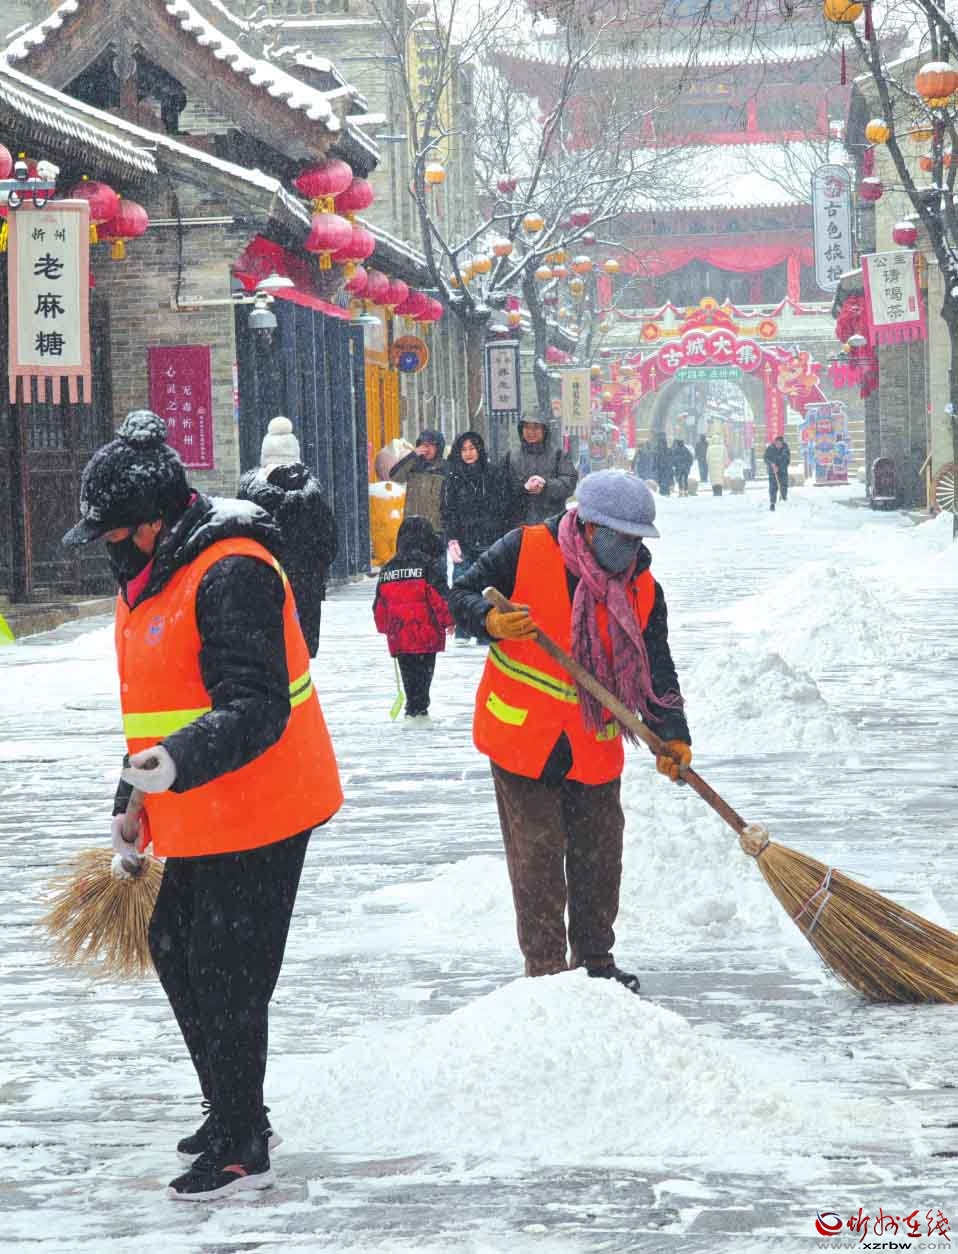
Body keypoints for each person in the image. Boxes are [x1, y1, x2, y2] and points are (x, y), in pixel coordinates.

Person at [61, 411, 342, 1201]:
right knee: (174, 943)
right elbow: (163, 704)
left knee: (225, 967)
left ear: (154, 521)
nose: (110, 548)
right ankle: (230, 1106)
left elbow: (256, 704)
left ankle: (243, 1143)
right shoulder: (156, 572)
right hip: (205, 799)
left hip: (269, 797)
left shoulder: (231, 572)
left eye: (117, 533)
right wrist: (132, 795)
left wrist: (173, 765)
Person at [448, 469, 691, 991]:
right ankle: (547, 974)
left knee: (599, 856)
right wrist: (489, 622)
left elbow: (657, 666)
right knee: (537, 856)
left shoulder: (643, 588)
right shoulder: (525, 548)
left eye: (638, 540)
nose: (630, 551)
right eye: (621, 538)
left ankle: (595, 962)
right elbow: (459, 593)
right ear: (588, 526)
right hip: (522, 736)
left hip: (591, 744)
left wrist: (673, 734)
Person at [237, 416, 337, 657]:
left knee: (265, 655)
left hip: (260, 583)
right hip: (304, 585)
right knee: (299, 655)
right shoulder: (312, 497)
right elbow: (330, 542)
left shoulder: (248, 498)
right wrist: (314, 570)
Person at [373, 515, 454, 723]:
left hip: (399, 632)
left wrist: (386, 627)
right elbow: (440, 598)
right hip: (426, 632)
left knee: (408, 673)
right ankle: (420, 710)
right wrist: (450, 620)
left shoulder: (388, 568)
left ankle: (412, 708)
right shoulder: (428, 566)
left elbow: (379, 604)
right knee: (424, 675)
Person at [440, 430, 506, 643]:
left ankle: (486, 629)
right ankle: (463, 629)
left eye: (472, 448)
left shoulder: (494, 474)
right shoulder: (453, 478)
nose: (468, 453)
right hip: (464, 540)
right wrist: (451, 538)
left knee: (488, 585)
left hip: (490, 537)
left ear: (479, 449)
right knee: (462, 584)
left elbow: (504, 505)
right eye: (464, 449)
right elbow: (447, 510)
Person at [500, 414, 578, 528]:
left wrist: (546, 486)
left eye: (536, 427)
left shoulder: (558, 455)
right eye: (527, 427)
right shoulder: (511, 456)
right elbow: (502, 487)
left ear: (544, 430)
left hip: (552, 523)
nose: (531, 432)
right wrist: (523, 488)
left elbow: (569, 483)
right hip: (519, 525)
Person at [389, 429, 449, 536]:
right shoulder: (413, 465)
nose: (427, 448)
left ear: (439, 447)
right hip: (412, 529)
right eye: (424, 445)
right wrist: (413, 455)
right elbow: (394, 476)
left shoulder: (446, 469)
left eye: (431, 445)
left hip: (435, 530)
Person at [764, 433, 791, 511]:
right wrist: (771, 464)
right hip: (772, 472)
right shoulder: (770, 448)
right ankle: (772, 503)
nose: (778, 445)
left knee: (783, 485)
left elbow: (787, 461)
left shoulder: (785, 449)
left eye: (780, 443)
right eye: (777, 443)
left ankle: (783, 498)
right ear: (775, 443)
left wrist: (779, 468)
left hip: (783, 471)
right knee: (773, 487)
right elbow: (765, 458)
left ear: (782, 443)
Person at [651, 431, 673, 496]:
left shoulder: (657, 448)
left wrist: (654, 466)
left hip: (660, 467)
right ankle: (666, 491)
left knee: (661, 479)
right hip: (666, 467)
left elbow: (655, 458)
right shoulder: (667, 448)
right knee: (666, 479)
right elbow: (670, 457)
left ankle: (663, 492)